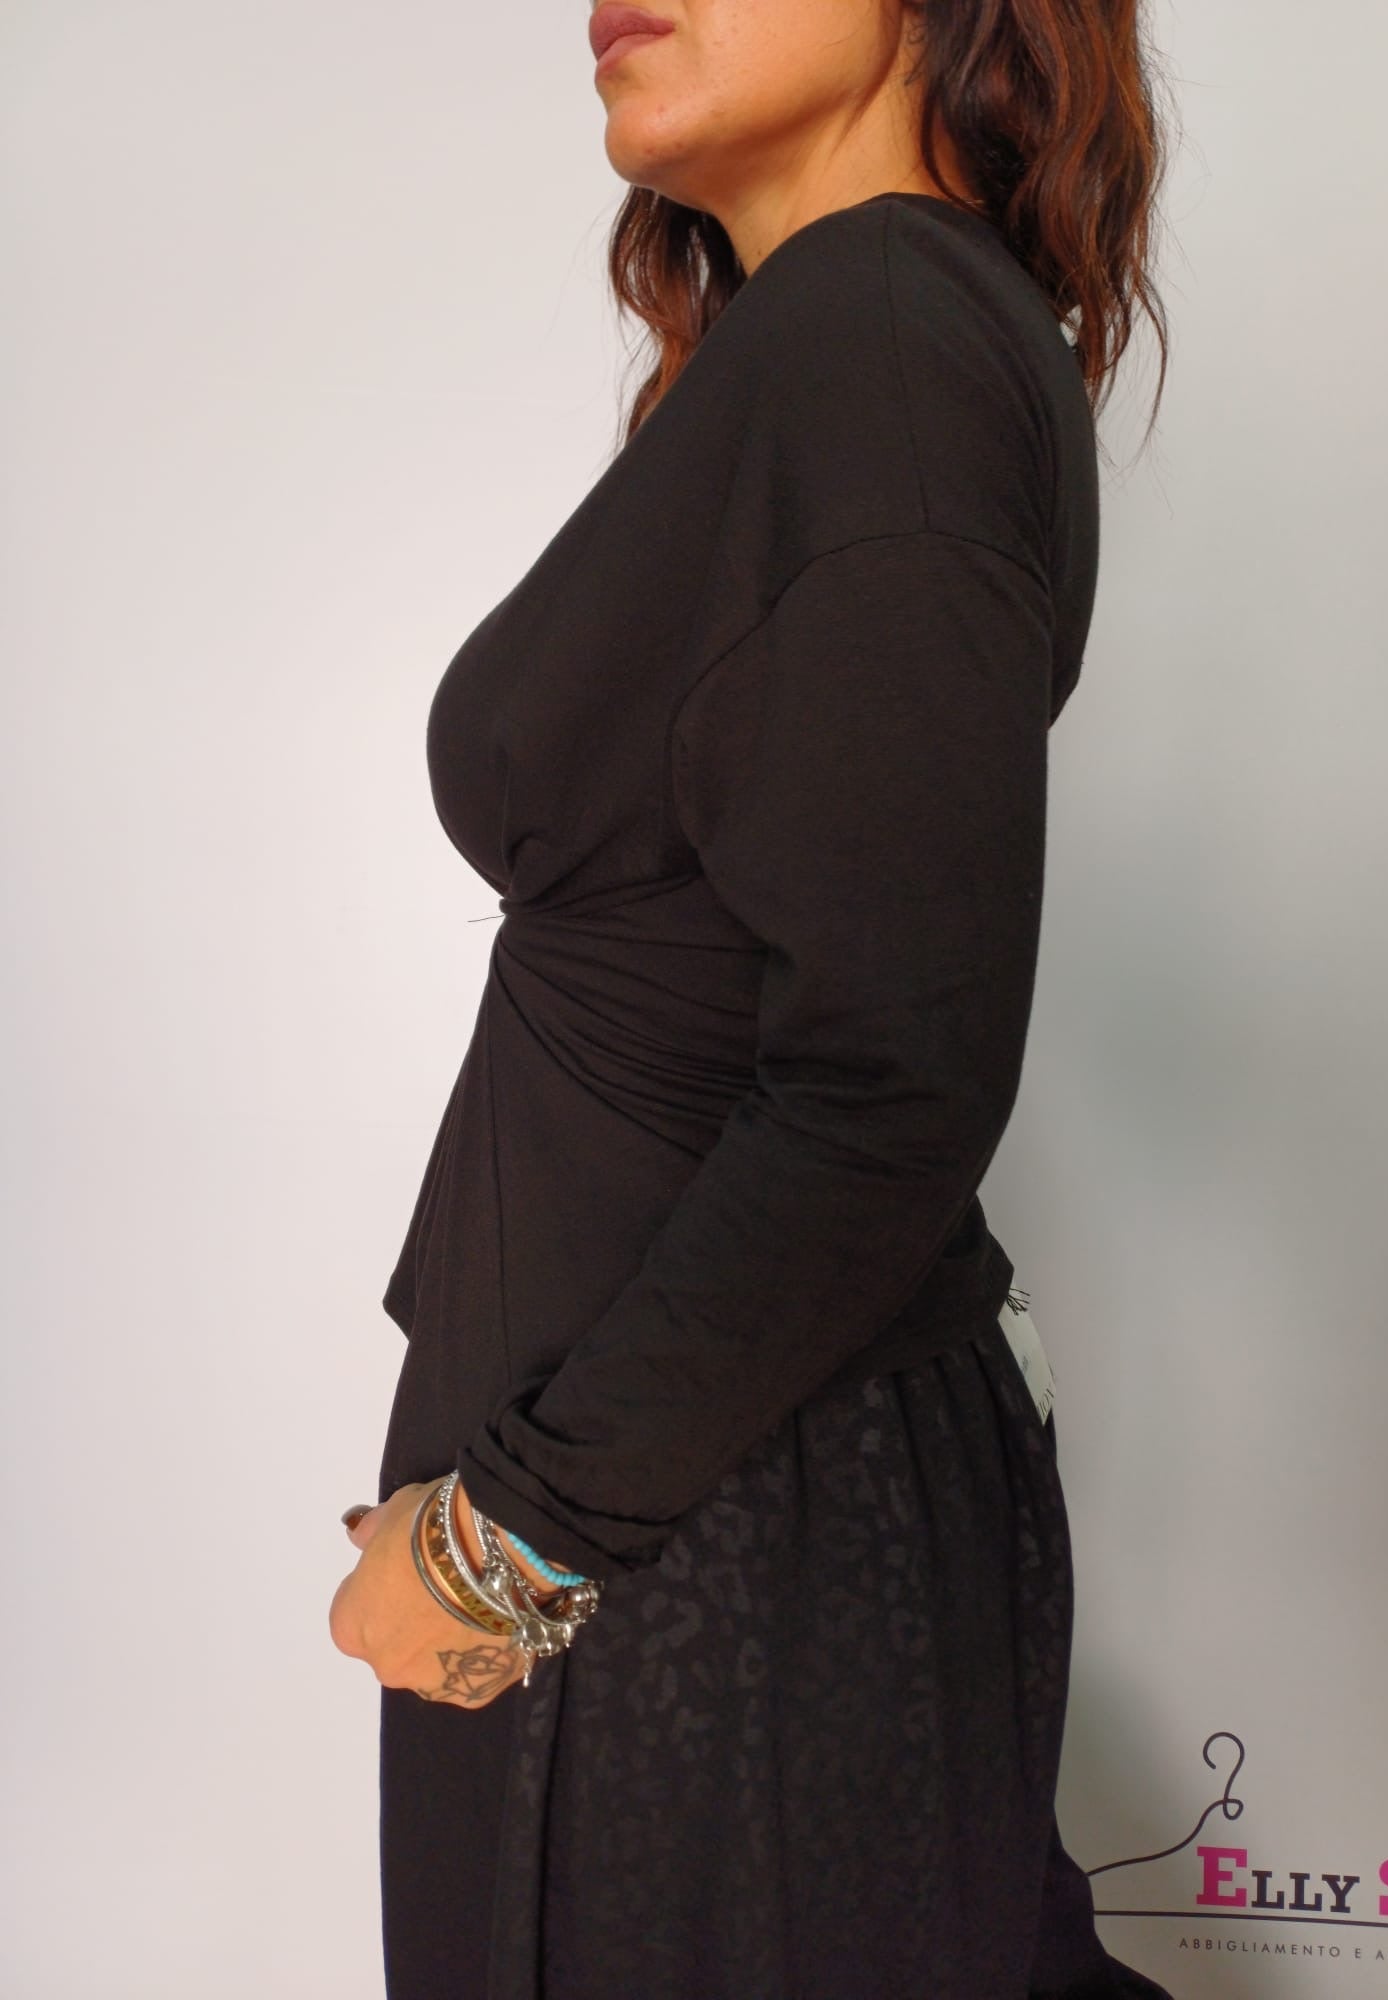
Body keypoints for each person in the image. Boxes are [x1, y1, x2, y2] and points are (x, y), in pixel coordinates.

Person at [328, 0, 1177, 1994]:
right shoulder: (857, 338)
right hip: (684, 1505)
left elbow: (891, 1081)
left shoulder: (882, 338)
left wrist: (504, 1546)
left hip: (704, 1535)